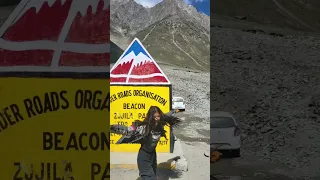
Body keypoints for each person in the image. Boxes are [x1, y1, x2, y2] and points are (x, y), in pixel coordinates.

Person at [110, 106, 181, 180]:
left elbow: (168, 114)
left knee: (152, 176)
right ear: (150, 117)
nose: (157, 118)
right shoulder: (144, 127)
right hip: (144, 157)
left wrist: (175, 110)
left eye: (158, 116)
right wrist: (112, 128)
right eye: (154, 117)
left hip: (152, 155)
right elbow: (127, 130)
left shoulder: (161, 123)